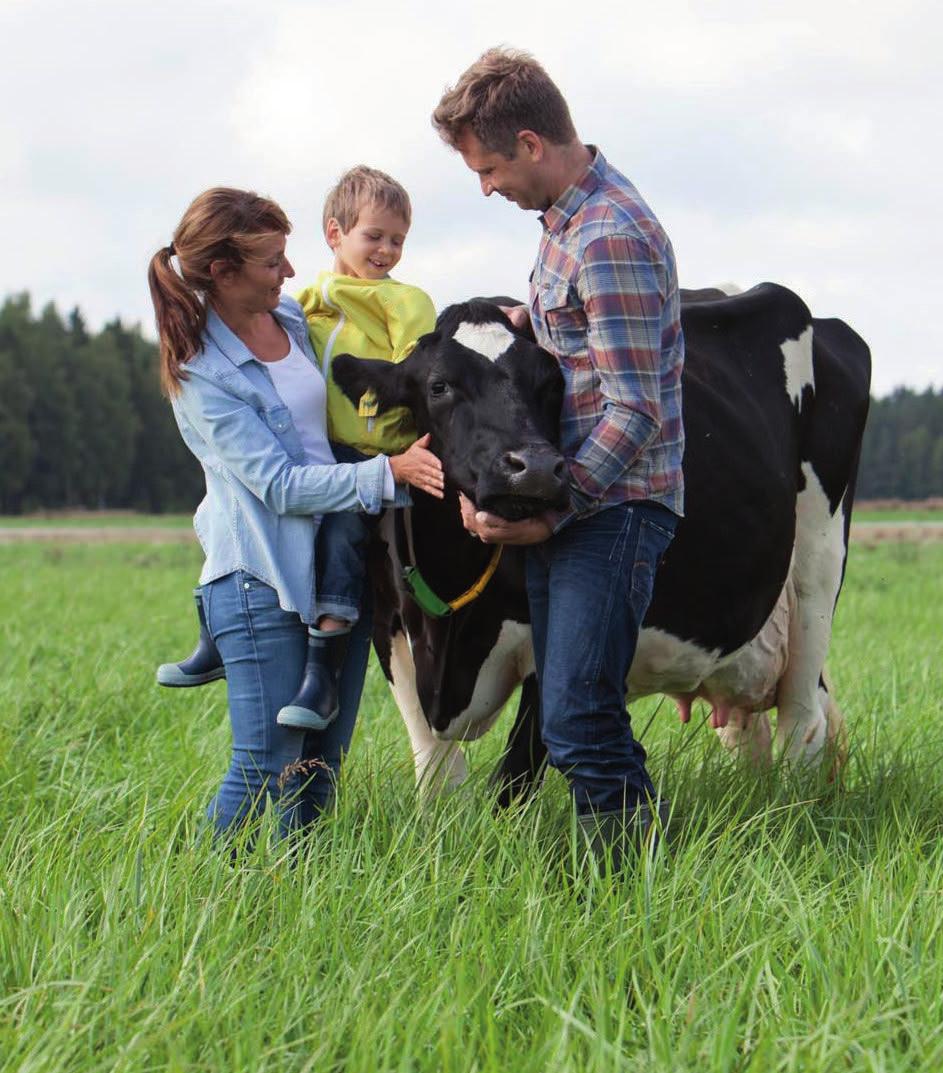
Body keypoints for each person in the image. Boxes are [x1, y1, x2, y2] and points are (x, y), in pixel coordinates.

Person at [432, 48, 685, 865]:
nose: (486, 187)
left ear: (533, 143)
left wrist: (555, 507)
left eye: (490, 167)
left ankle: (633, 882)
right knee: (571, 708)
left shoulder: (607, 236)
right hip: (571, 506)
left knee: (576, 714)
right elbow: (583, 351)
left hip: (607, 508)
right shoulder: (562, 227)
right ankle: (633, 873)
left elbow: (634, 407)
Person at [148, 187, 443, 839]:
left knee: (318, 766)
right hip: (263, 581)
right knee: (263, 764)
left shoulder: (288, 317)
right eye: (272, 261)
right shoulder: (202, 374)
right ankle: (200, 897)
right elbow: (278, 485)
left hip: (337, 569)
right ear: (223, 273)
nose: (289, 271)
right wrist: (385, 472)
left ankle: (293, 902)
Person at [281, 166, 436, 730]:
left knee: (346, 537)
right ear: (334, 232)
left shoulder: (404, 301)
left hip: (382, 457)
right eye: (374, 235)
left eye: (398, 239)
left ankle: (323, 666)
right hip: (319, 455)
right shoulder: (304, 304)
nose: (387, 250)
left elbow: (414, 372)